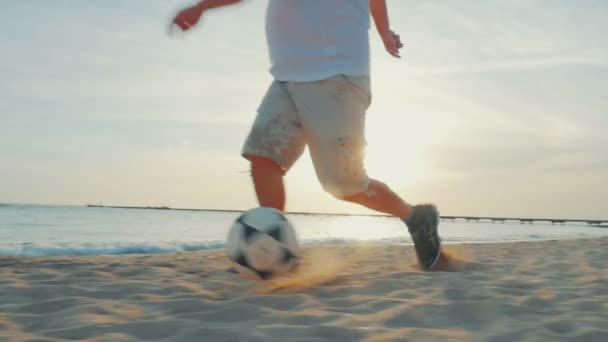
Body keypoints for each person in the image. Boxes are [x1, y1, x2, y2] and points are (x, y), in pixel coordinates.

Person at [171, 0, 443, 270]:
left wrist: (384, 31)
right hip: (286, 78)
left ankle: (416, 217)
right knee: (262, 156)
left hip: (338, 75)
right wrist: (202, 7)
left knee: (344, 184)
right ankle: (277, 249)